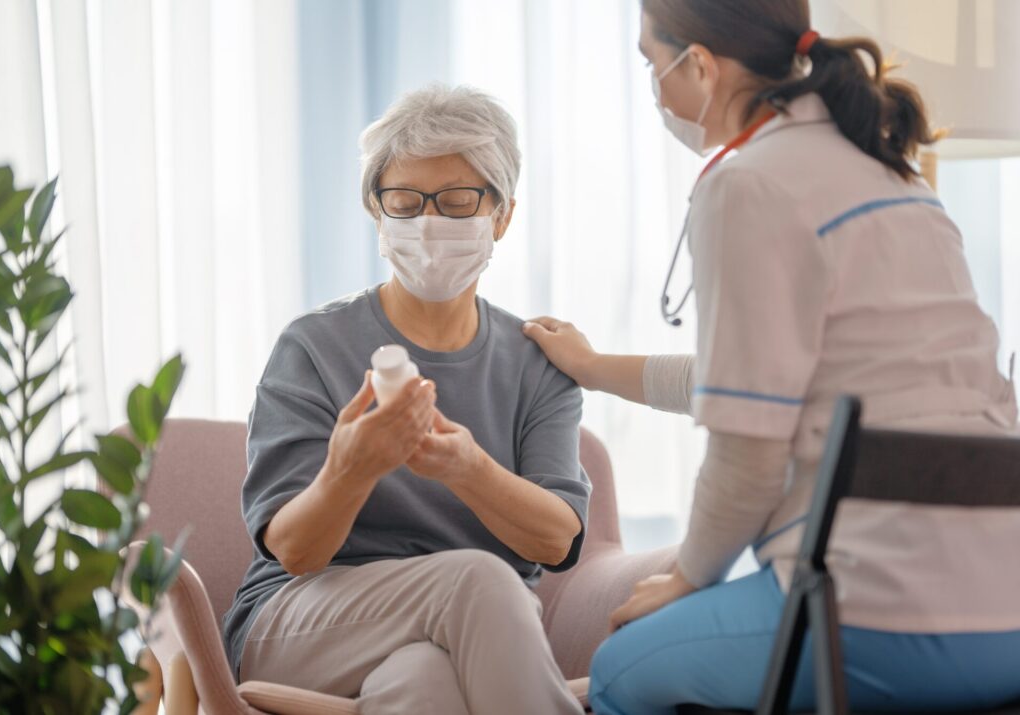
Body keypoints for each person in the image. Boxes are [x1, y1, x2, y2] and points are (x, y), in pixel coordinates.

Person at [522, 1, 1020, 712]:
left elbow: (748, 454)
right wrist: (597, 367)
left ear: (696, 64)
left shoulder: (746, 184)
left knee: (619, 667)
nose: (653, 88)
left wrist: (688, 577)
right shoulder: (898, 181)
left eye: (648, 63)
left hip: (877, 621)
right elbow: (761, 382)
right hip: (1006, 612)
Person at [221, 84, 589, 715]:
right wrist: (351, 469)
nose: (428, 223)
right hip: (302, 619)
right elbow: (296, 552)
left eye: (455, 201)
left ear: (501, 215)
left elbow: (556, 541)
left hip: (464, 627)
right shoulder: (315, 347)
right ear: (377, 211)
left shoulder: (537, 363)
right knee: (475, 579)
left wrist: (467, 469)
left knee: (425, 683)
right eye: (405, 201)